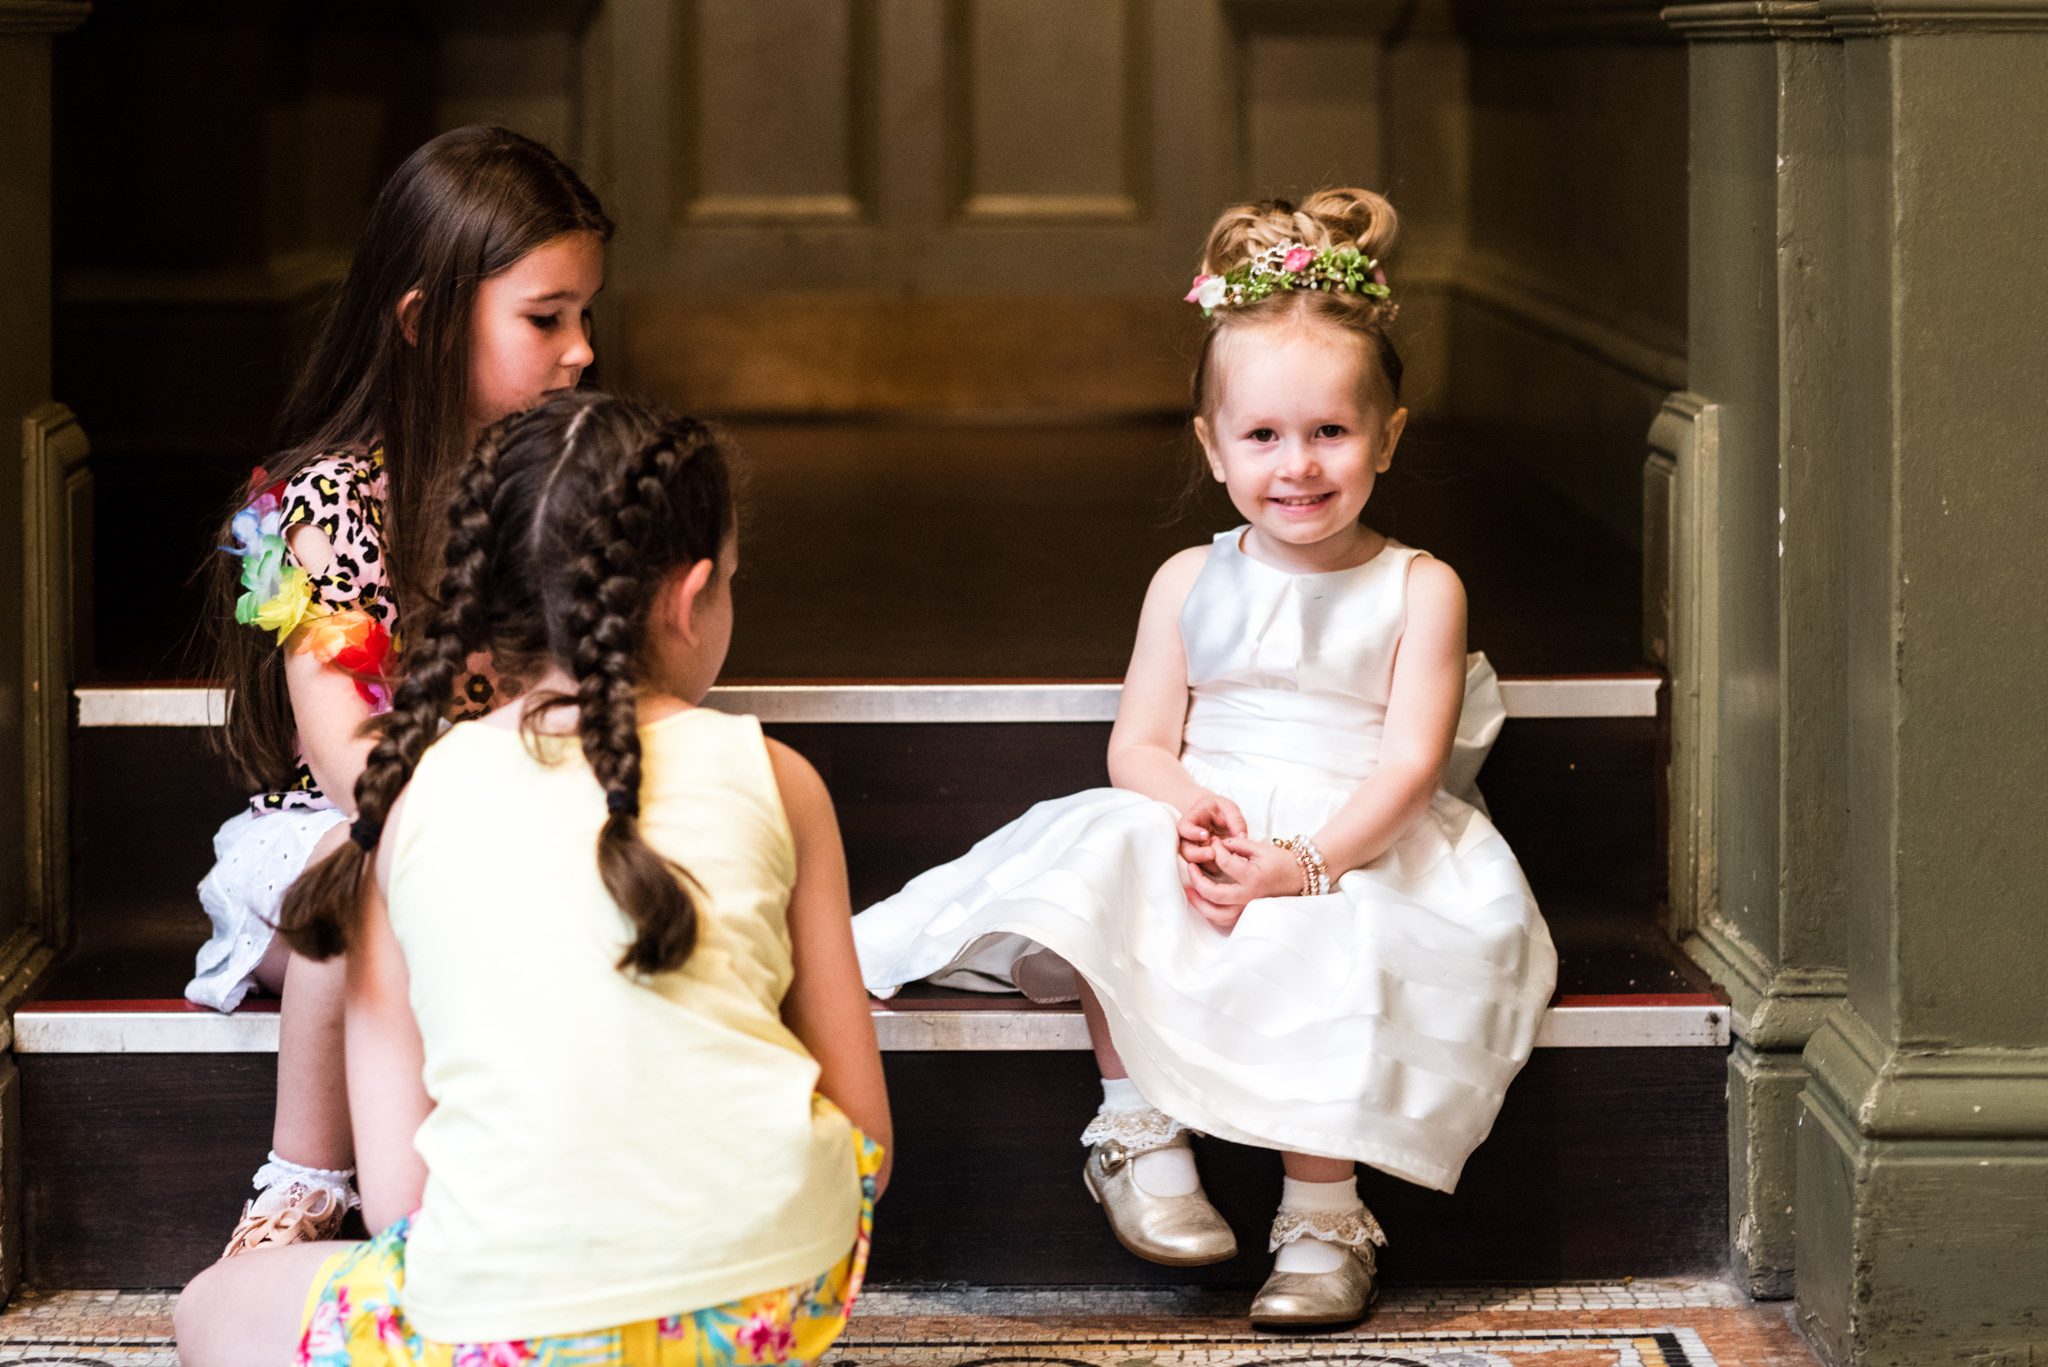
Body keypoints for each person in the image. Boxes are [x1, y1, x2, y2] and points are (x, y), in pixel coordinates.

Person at [851, 188, 1556, 1328]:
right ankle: (1137, 1131)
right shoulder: (1188, 579)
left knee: (1337, 940)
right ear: (1211, 444)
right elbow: (1137, 743)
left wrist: (1303, 863)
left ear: (1387, 436)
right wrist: (1187, 806)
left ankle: (1320, 1213)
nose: (1298, 465)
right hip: (1214, 807)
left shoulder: (1420, 587)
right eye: (1263, 435)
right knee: (1116, 860)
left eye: (1330, 433)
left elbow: (1408, 768)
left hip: (1350, 834)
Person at [175, 392, 892, 1367]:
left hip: (497, 1323)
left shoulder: (407, 807)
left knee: (210, 1307)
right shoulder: (781, 779)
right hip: (775, 1296)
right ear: (688, 598)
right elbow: (865, 1136)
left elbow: (399, 1201)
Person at [192, 125, 611, 1255]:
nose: (580, 350)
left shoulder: (553, 488)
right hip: (337, 836)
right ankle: (302, 1181)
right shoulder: (329, 504)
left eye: (585, 315)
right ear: (425, 320)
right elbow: (346, 759)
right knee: (365, 882)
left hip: (509, 821)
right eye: (546, 318)